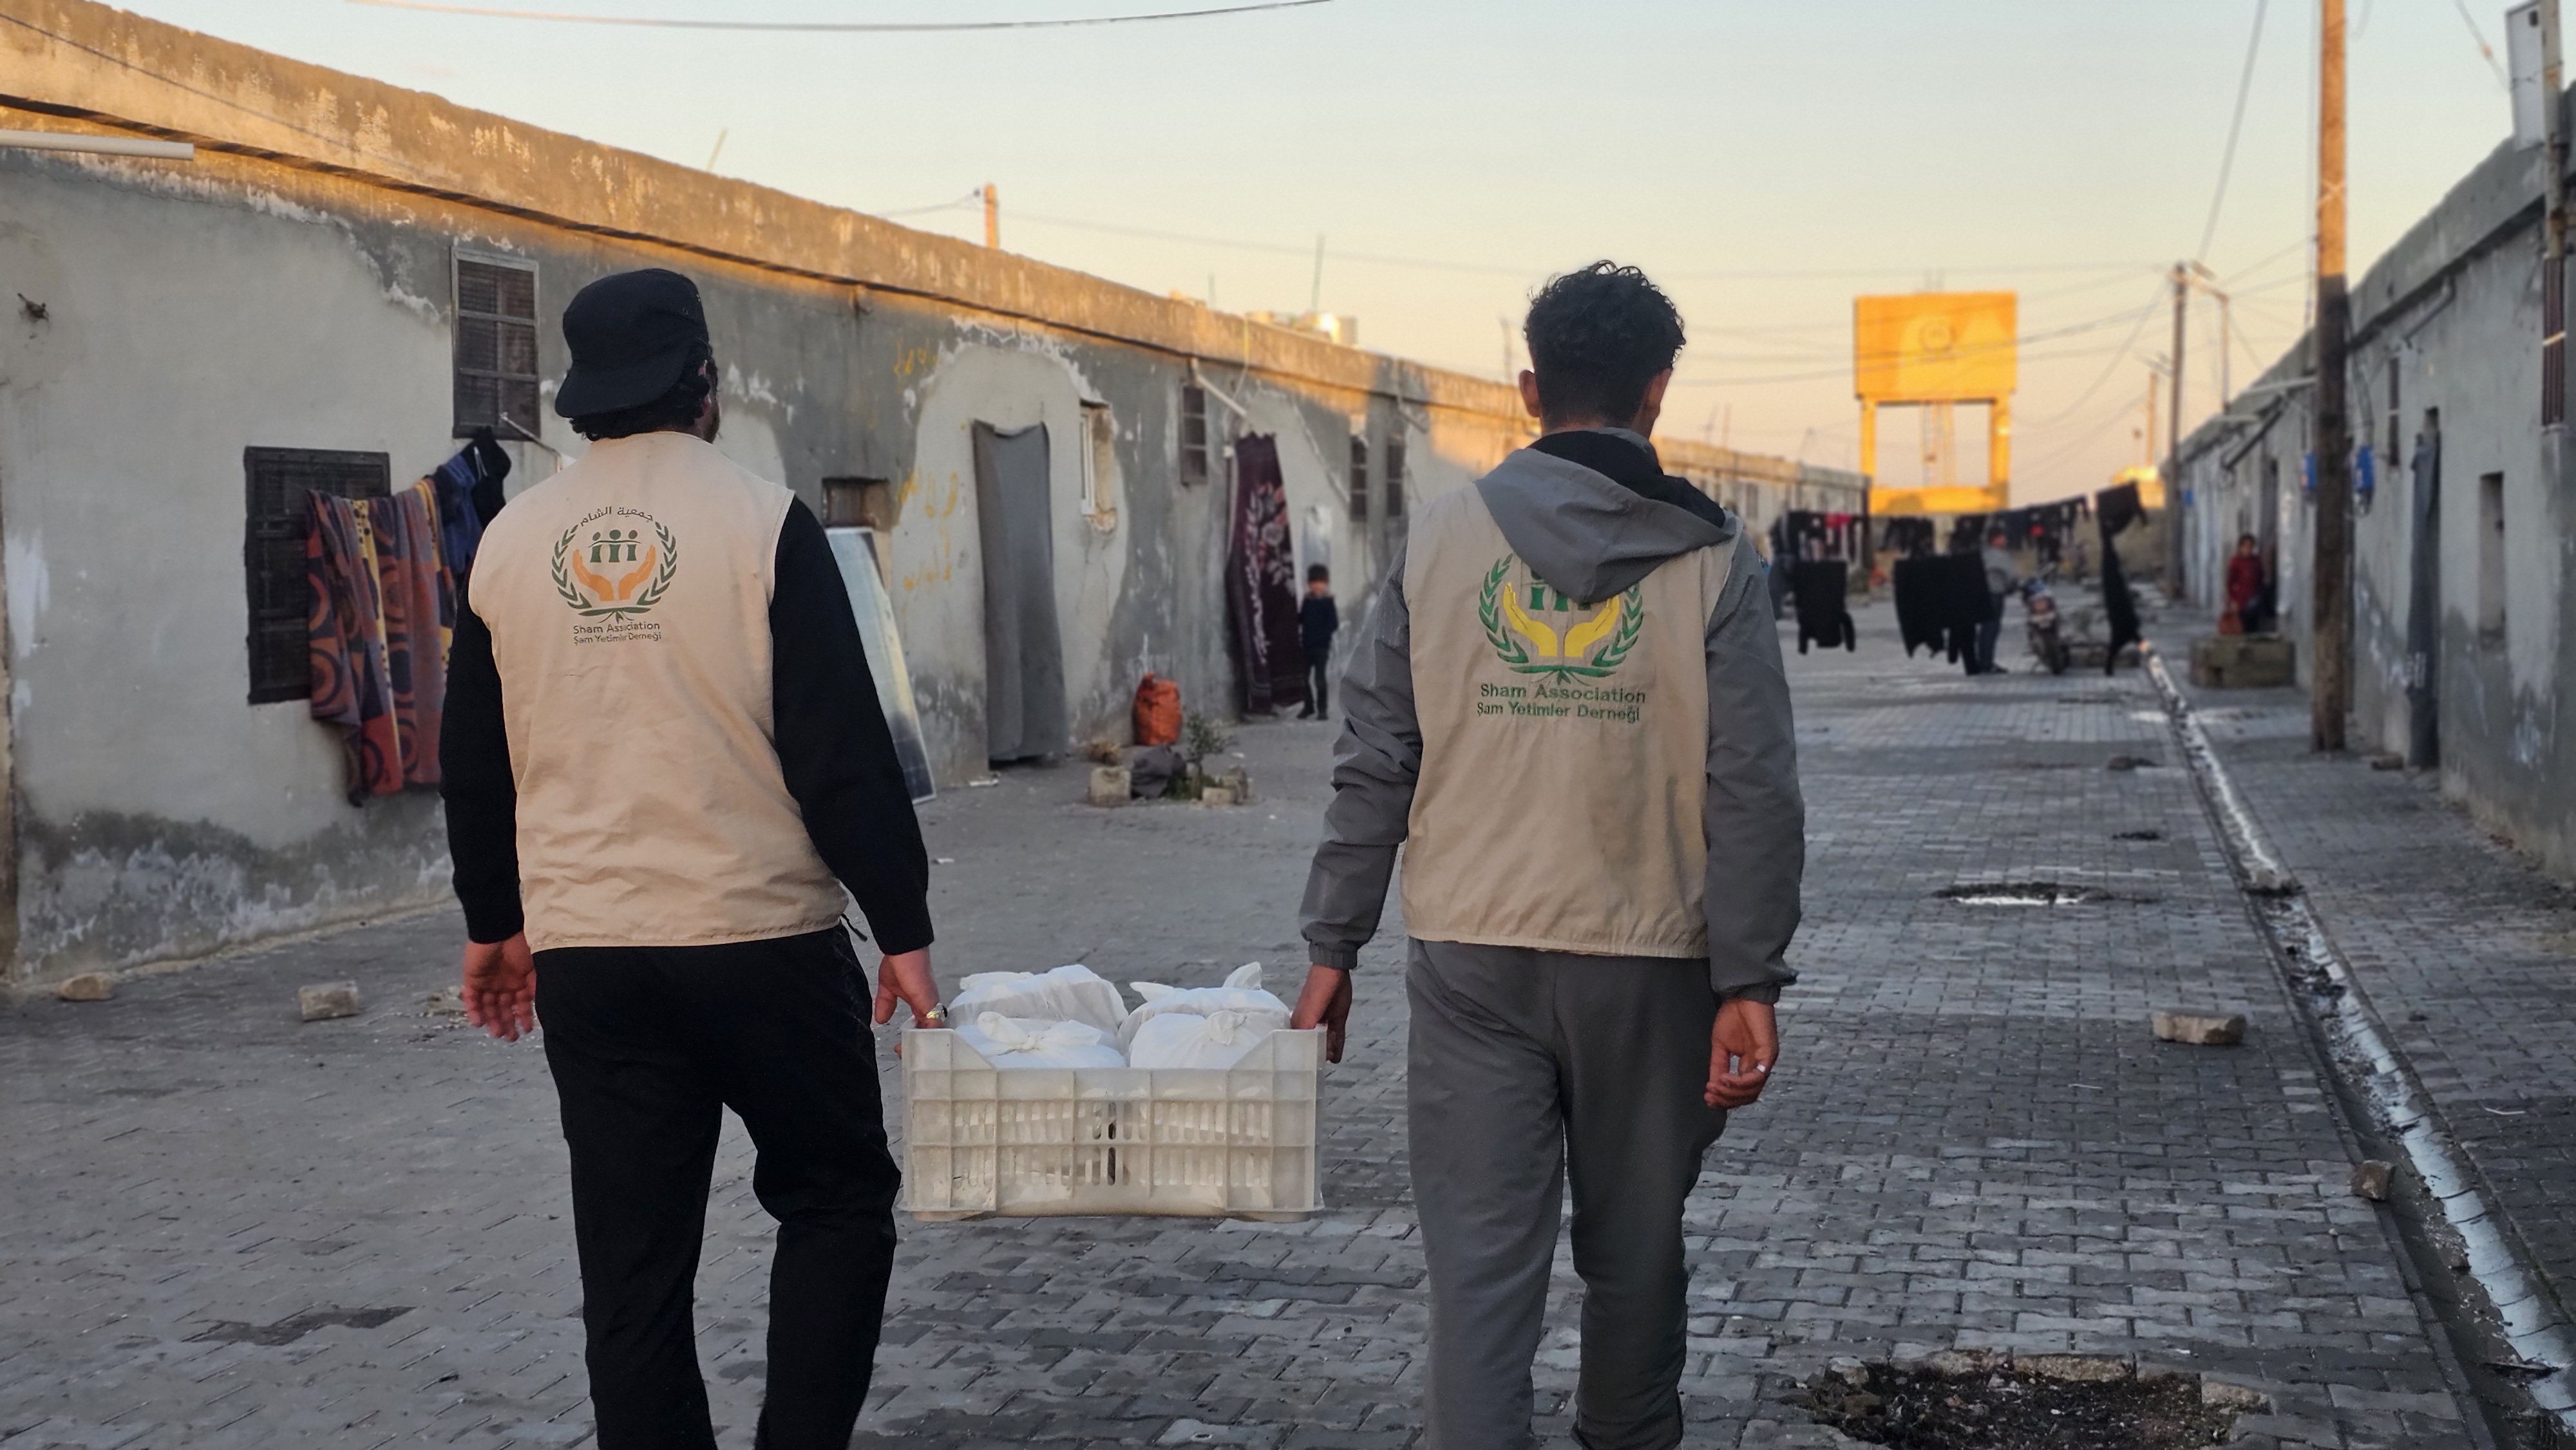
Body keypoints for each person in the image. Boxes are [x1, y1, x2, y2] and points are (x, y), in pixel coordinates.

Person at [1290, 261, 1804, 1450]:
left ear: (1530, 389)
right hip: (1655, 961)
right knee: (1637, 1251)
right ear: (1658, 390)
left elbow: (1376, 758)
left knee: (1478, 1272)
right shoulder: (1717, 557)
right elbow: (1754, 785)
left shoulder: (1439, 539)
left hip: (1470, 957)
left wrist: (1332, 944)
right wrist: (1749, 976)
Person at [440, 268, 943, 1450]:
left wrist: (494, 924)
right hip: (762, 941)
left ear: (584, 393)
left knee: (633, 1269)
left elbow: (473, 761)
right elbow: (841, 753)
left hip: (593, 960)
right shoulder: (764, 524)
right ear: (704, 380)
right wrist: (904, 928)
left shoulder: (510, 544)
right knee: (835, 1199)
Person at [1297, 564, 1339, 719]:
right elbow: (1301, 619)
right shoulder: (1307, 601)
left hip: (1322, 647)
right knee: (1303, 678)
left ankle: (1322, 709)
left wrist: (1322, 635)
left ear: (1325, 583)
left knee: (1319, 680)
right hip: (1306, 645)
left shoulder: (1328, 601)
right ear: (1309, 583)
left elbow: (1333, 623)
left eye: (1320, 582)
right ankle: (1308, 706)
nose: (1317, 586)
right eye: (1314, 582)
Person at [1976, 525, 2018, 675]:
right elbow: (2012, 576)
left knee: (1984, 629)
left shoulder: (1983, 554)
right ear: (1996, 539)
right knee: (1992, 628)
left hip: (1982, 594)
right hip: (1995, 594)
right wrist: (2013, 588)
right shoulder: (1999, 556)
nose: (2005, 540)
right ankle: (1987, 663)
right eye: (2003, 537)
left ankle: (1982, 661)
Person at [2224, 532, 2266, 635]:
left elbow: (2260, 579)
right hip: (2240, 600)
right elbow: (2230, 583)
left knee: (2253, 626)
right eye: (2246, 546)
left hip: (2254, 599)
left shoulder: (2256, 561)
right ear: (2240, 547)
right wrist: (2232, 600)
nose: (2248, 549)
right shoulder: (2236, 562)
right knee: (2241, 626)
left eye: (2251, 546)